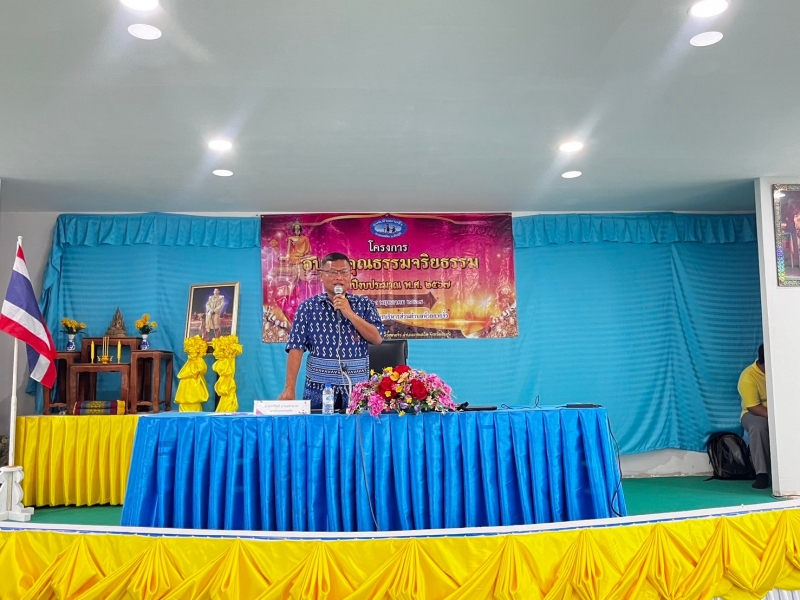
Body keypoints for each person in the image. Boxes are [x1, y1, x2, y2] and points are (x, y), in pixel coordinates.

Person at [278, 252, 385, 409]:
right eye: (333, 272)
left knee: (357, 425)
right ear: (322, 276)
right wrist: (289, 388)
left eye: (344, 272)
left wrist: (349, 313)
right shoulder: (307, 308)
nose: (339, 277)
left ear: (350, 275)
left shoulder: (365, 305)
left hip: (357, 390)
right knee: (318, 425)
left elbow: (377, 338)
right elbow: (296, 348)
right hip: (318, 390)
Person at [738, 344, 770, 489]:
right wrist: (777, 419)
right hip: (753, 413)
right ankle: (762, 474)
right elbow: (753, 406)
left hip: (783, 411)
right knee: (758, 426)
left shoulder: (785, 371)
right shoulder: (748, 376)